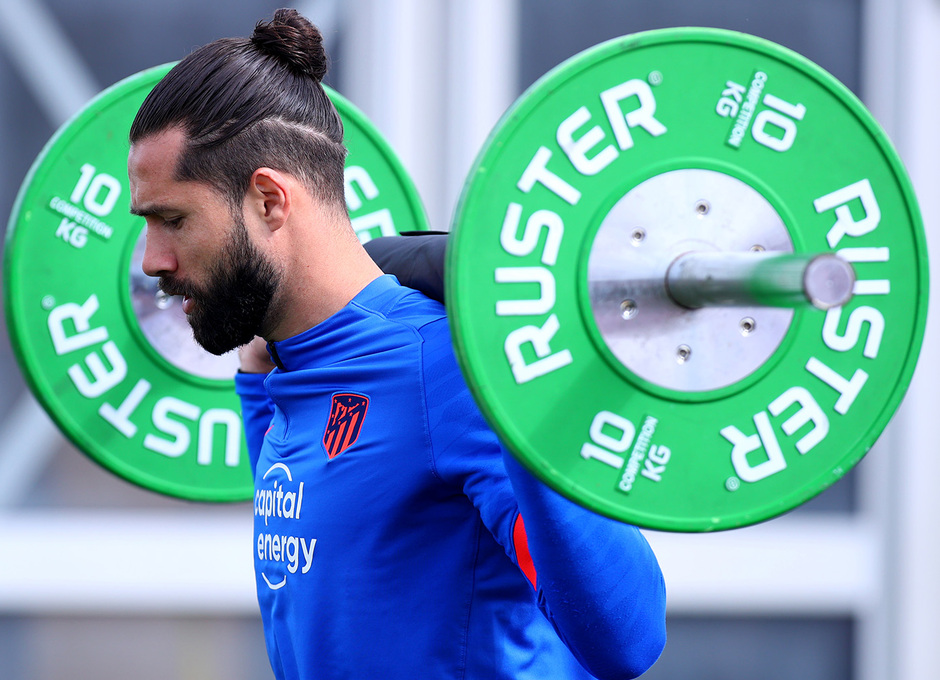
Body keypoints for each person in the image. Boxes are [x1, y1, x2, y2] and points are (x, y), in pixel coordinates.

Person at [127, 8, 666, 680]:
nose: (150, 260)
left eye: (171, 219)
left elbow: (629, 641)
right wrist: (256, 386)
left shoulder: (448, 370)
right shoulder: (285, 364)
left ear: (269, 200)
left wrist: (519, 400)